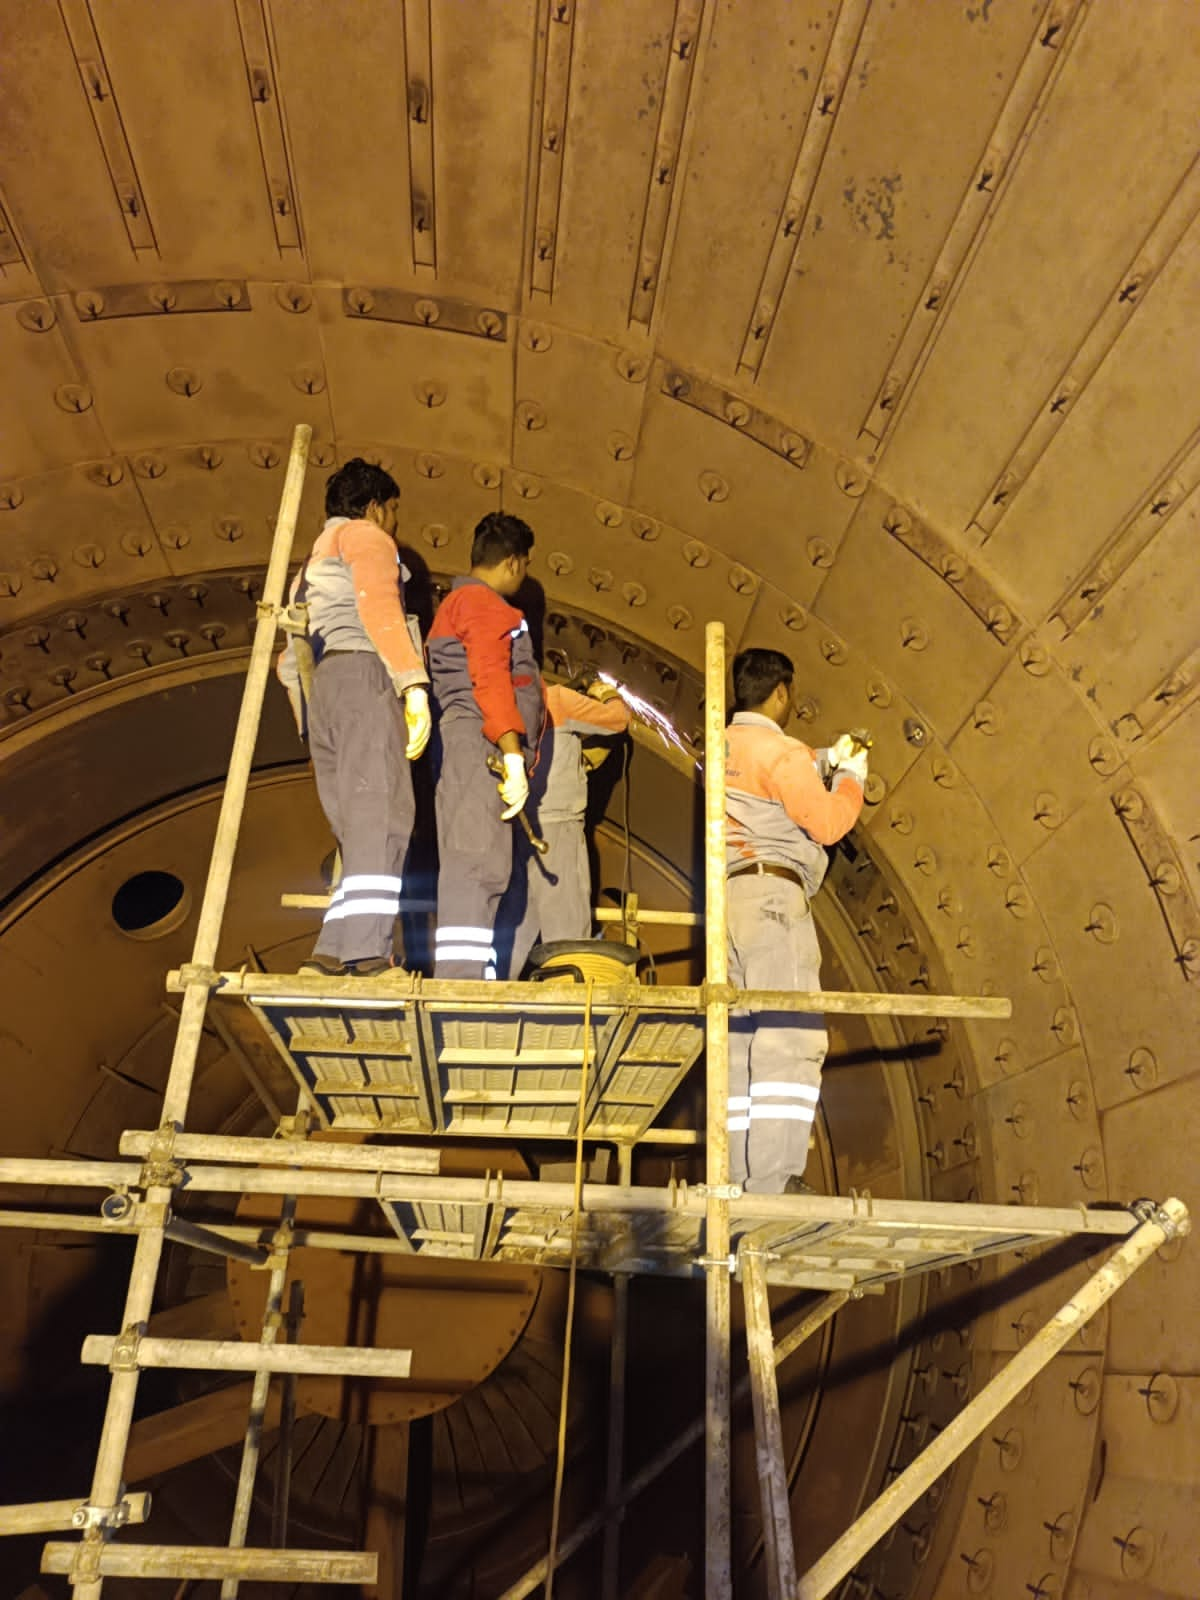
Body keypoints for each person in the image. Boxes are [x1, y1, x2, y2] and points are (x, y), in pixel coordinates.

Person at [276, 458, 431, 977]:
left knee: (357, 834)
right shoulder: (364, 538)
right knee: (385, 821)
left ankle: (330, 952)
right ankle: (366, 955)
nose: (394, 525)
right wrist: (412, 685)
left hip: (324, 693)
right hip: (365, 676)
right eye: (393, 512)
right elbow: (379, 606)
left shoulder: (308, 570)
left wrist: (313, 721)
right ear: (372, 507)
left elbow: (286, 664)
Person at [724, 647, 866, 1193]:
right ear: (780, 692)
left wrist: (825, 758)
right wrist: (850, 777)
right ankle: (776, 1179)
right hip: (773, 902)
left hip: (731, 904)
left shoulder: (723, 746)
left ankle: (737, 1179)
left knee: (741, 1044)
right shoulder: (781, 752)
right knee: (791, 1034)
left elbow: (771, 776)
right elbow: (828, 823)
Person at [426, 512, 546, 979]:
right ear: (514, 562)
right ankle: (461, 981)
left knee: (473, 861)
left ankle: (470, 973)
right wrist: (512, 752)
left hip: (466, 746)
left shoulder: (457, 604)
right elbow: (492, 680)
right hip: (482, 746)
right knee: (478, 864)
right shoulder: (483, 605)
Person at [507, 673, 631, 976]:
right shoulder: (558, 698)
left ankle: (496, 999)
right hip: (558, 826)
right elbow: (618, 720)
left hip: (517, 826)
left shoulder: (504, 701)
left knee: (517, 928)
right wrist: (605, 693)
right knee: (568, 932)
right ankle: (571, 1011)